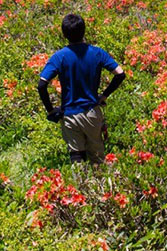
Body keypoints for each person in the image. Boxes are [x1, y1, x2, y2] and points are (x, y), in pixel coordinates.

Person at [37, 14, 126, 164]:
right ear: (84, 31)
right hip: (92, 113)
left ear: (64, 34)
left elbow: (41, 85)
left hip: (70, 115)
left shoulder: (59, 57)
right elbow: (120, 74)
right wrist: (104, 96)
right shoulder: (97, 53)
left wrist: (51, 110)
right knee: (97, 158)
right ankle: (98, 185)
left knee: (76, 157)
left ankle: (81, 185)